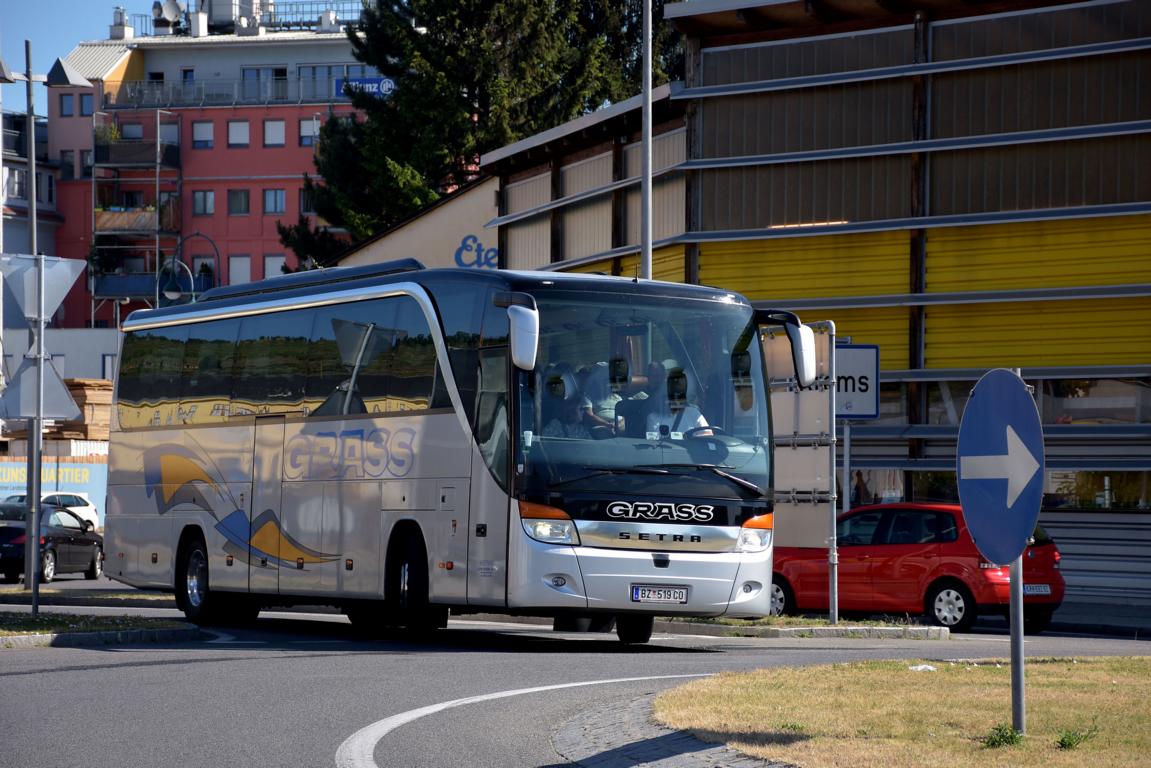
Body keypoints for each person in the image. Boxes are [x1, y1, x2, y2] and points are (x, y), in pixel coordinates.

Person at [644, 365, 708, 437]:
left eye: (681, 385)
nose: (677, 388)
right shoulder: (653, 418)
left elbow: (708, 435)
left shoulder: (694, 414)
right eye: (673, 385)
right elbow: (655, 445)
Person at [542, 365, 591, 439]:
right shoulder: (554, 427)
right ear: (569, 408)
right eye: (580, 409)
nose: (584, 412)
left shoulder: (579, 429)